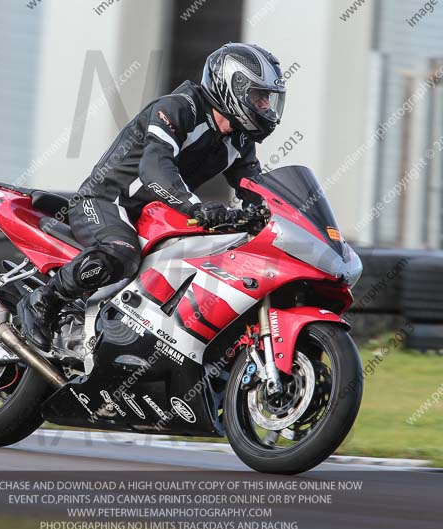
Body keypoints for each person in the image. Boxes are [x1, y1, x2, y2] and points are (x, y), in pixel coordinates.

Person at [19, 42, 287, 350]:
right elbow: (154, 168)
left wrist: (271, 218)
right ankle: (43, 300)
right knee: (120, 252)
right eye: (259, 96)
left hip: (154, 219)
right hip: (105, 202)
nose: (266, 106)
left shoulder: (239, 140)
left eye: (268, 99)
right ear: (232, 88)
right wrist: (196, 208)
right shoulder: (179, 108)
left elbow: (255, 188)